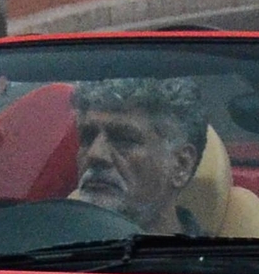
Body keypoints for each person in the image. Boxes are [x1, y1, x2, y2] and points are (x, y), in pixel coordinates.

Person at [69, 78, 207, 234]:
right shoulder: (46, 249)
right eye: (88, 137)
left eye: (124, 139)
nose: (95, 154)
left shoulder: (218, 257)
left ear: (181, 165)